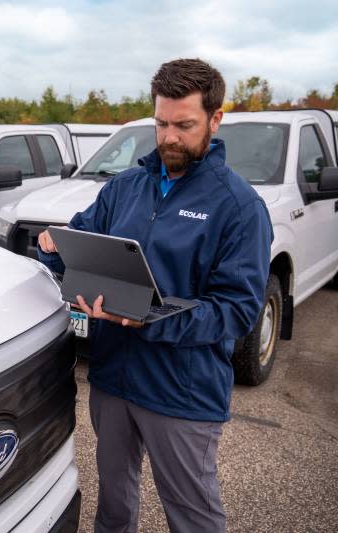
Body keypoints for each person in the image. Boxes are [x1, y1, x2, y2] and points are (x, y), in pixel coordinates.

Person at [38, 58, 273, 533]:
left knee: (193, 515)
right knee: (115, 505)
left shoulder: (239, 207)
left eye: (184, 125)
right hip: (113, 379)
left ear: (215, 119)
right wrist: (55, 249)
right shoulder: (124, 188)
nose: (169, 137)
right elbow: (85, 246)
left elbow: (237, 310)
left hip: (180, 390)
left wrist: (151, 318)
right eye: (161, 123)